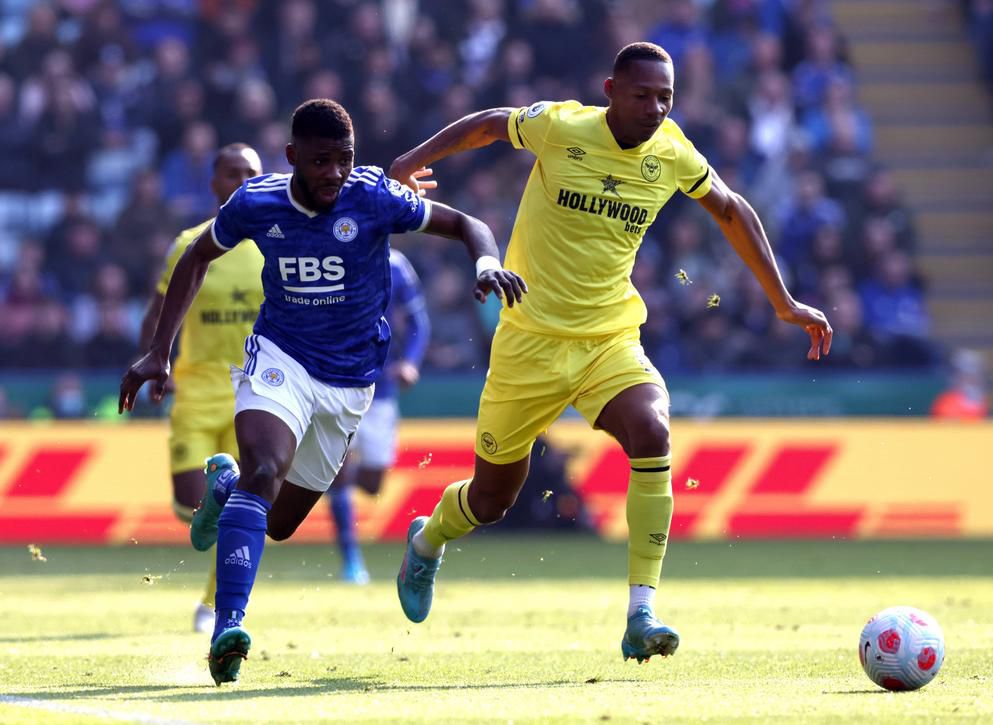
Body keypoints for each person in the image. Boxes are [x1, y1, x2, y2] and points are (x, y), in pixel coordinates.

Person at [388, 42, 833, 664]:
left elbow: (731, 209)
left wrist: (782, 302)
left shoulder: (671, 151)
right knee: (491, 500)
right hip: (528, 342)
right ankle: (428, 540)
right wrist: (408, 162)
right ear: (610, 91)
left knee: (653, 431)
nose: (655, 108)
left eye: (665, 97)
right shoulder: (561, 126)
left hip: (608, 338)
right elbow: (490, 123)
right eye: (642, 94)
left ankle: (640, 613)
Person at [118, 98, 527, 686]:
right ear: (292, 157)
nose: (334, 172)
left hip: (350, 381)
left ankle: (225, 487)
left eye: (344, 159)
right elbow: (196, 256)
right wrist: (160, 349)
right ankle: (227, 627)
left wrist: (486, 264)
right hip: (280, 357)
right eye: (320, 161)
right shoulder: (257, 202)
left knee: (279, 523)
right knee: (265, 468)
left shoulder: (374, 196)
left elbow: (468, 225)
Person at [137, 143, 264, 634]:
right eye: (232, 173)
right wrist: (154, 359)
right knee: (191, 507)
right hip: (194, 391)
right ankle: (214, 505)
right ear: (214, 183)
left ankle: (215, 604)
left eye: (251, 173)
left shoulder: (277, 244)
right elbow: (157, 312)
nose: (242, 181)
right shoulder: (190, 243)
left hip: (255, 394)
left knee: (242, 505)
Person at [328, 248, 430, 584]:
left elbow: (419, 322)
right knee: (339, 471)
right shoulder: (330, 256)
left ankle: (316, 476)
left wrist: (411, 363)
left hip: (382, 386)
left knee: (373, 483)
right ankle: (351, 561)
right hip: (336, 382)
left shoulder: (397, 265)